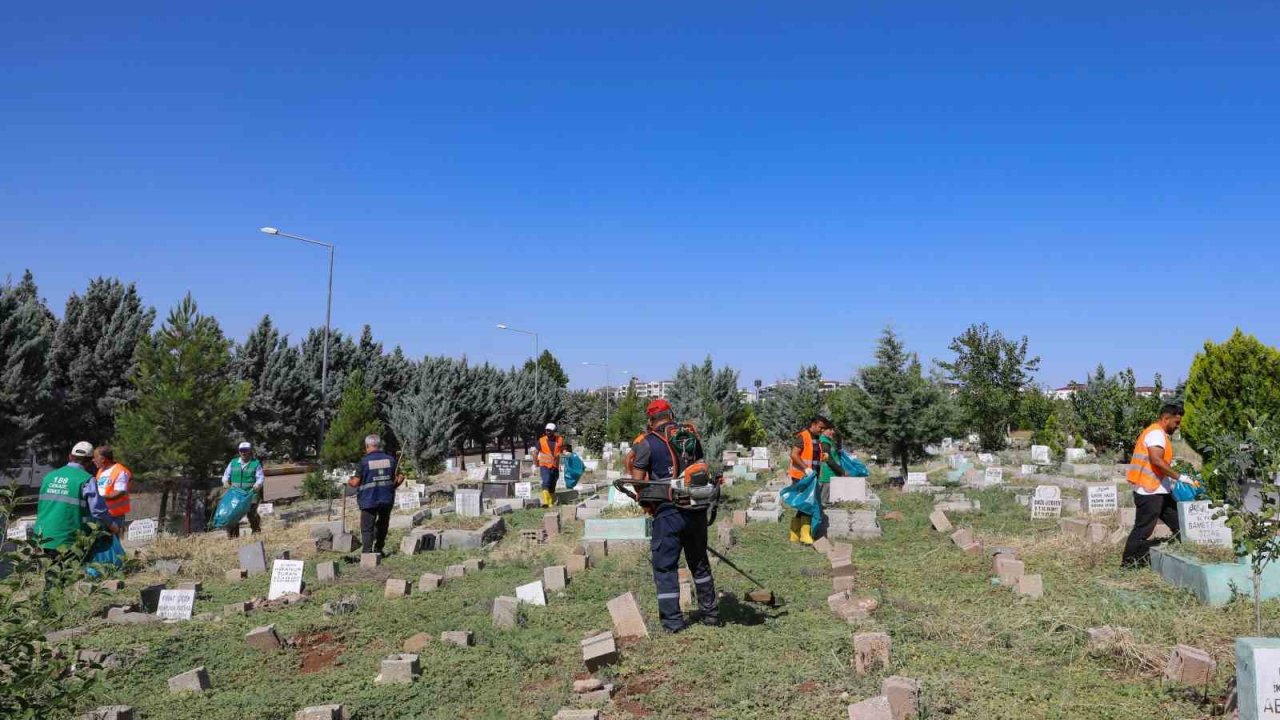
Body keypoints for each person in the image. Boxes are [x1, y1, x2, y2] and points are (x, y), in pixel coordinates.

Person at [628, 398, 720, 633]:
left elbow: (638, 481)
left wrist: (648, 500)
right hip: (696, 510)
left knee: (665, 567)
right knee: (699, 563)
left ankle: (673, 622)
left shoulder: (647, 443)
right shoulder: (690, 436)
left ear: (651, 419)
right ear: (670, 414)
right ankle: (711, 613)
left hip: (669, 513)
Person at [1121, 404, 1186, 568]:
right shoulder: (1156, 434)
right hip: (1149, 492)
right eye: (1176, 422)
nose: (1177, 427)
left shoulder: (1157, 433)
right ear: (1166, 418)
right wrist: (1179, 477)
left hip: (1159, 490)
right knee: (1143, 529)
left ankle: (1185, 552)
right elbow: (1156, 460)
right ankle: (1128, 563)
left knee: (1179, 523)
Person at [33, 441, 115, 558]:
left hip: (44, 536)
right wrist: (112, 526)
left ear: (70, 457)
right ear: (89, 461)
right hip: (70, 538)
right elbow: (98, 511)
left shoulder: (49, 476)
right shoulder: (86, 480)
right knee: (70, 573)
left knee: (51, 572)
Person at [350, 434, 402, 555]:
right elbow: (400, 477)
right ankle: (379, 549)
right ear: (378, 446)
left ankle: (367, 553)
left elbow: (356, 482)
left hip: (369, 499)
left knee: (367, 527)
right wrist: (392, 487)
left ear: (367, 446)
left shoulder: (364, 462)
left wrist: (349, 481)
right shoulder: (390, 459)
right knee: (383, 524)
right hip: (386, 498)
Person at [788, 416, 833, 545]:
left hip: (810, 476)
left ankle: (795, 533)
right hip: (801, 476)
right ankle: (804, 535)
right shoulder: (803, 436)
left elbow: (811, 454)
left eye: (824, 428)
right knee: (807, 504)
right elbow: (794, 454)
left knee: (804, 504)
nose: (822, 430)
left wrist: (821, 456)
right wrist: (806, 468)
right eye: (820, 427)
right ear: (813, 424)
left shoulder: (816, 438)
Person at [221, 441, 264, 538]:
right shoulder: (233, 462)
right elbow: (226, 475)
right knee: (233, 515)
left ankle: (256, 532)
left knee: (252, 515)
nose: (243, 453)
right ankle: (233, 537)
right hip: (235, 495)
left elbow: (260, 477)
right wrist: (225, 481)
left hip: (250, 494)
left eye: (246, 450)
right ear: (239, 452)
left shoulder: (255, 463)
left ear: (250, 451)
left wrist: (258, 484)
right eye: (241, 450)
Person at [92, 445, 132, 529]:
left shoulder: (120, 471)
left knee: (113, 541)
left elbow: (119, 492)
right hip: (102, 514)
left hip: (114, 517)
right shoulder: (101, 470)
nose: (93, 460)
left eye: (95, 457)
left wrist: (99, 498)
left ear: (103, 459)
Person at [535, 423, 565, 508]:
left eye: (549, 430)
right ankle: (546, 502)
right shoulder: (541, 440)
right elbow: (535, 453)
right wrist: (535, 464)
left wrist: (560, 464)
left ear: (554, 431)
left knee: (553, 483)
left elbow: (561, 451)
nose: (547, 432)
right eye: (546, 430)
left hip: (554, 466)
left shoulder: (559, 439)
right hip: (544, 465)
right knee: (546, 481)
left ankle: (551, 502)